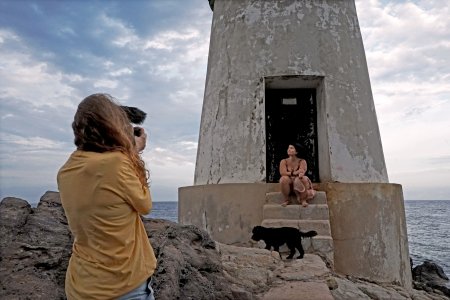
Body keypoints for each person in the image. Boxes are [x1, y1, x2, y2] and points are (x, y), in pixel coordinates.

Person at [57, 93, 157, 300]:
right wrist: (134, 152)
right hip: (122, 284)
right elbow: (145, 205)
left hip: (81, 285)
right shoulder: (117, 164)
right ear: (112, 126)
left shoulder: (66, 170)